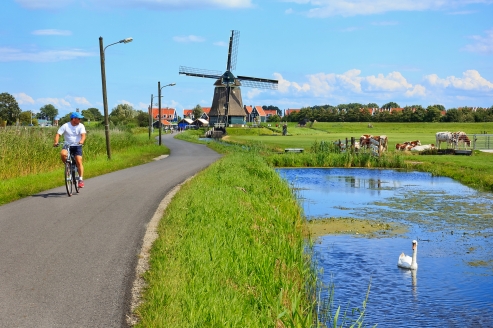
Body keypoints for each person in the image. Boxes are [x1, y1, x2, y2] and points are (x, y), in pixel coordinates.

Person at [54, 112, 87, 188]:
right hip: (67, 145)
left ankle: (81, 179)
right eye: (78, 118)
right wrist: (56, 142)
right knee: (63, 154)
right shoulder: (65, 126)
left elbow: (83, 135)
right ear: (73, 119)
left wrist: (81, 141)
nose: (80, 120)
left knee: (79, 161)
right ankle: (68, 166)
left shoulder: (81, 126)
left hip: (77, 145)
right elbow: (58, 134)